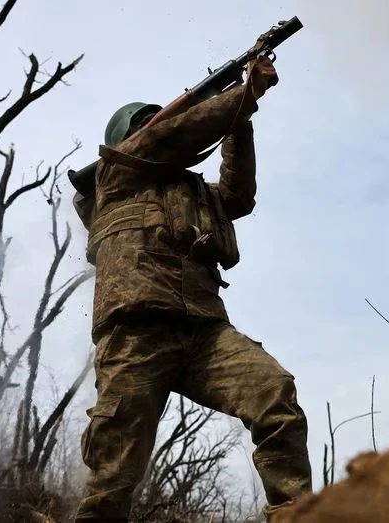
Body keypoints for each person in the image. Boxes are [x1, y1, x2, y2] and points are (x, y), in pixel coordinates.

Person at [73, 55, 312, 521]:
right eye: (148, 125)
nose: (170, 126)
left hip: (204, 332)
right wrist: (241, 96)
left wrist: (239, 120)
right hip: (136, 334)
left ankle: (298, 515)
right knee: (114, 471)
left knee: (273, 392)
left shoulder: (194, 192)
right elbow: (166, 137)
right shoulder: (115, 176)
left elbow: (238, 196)